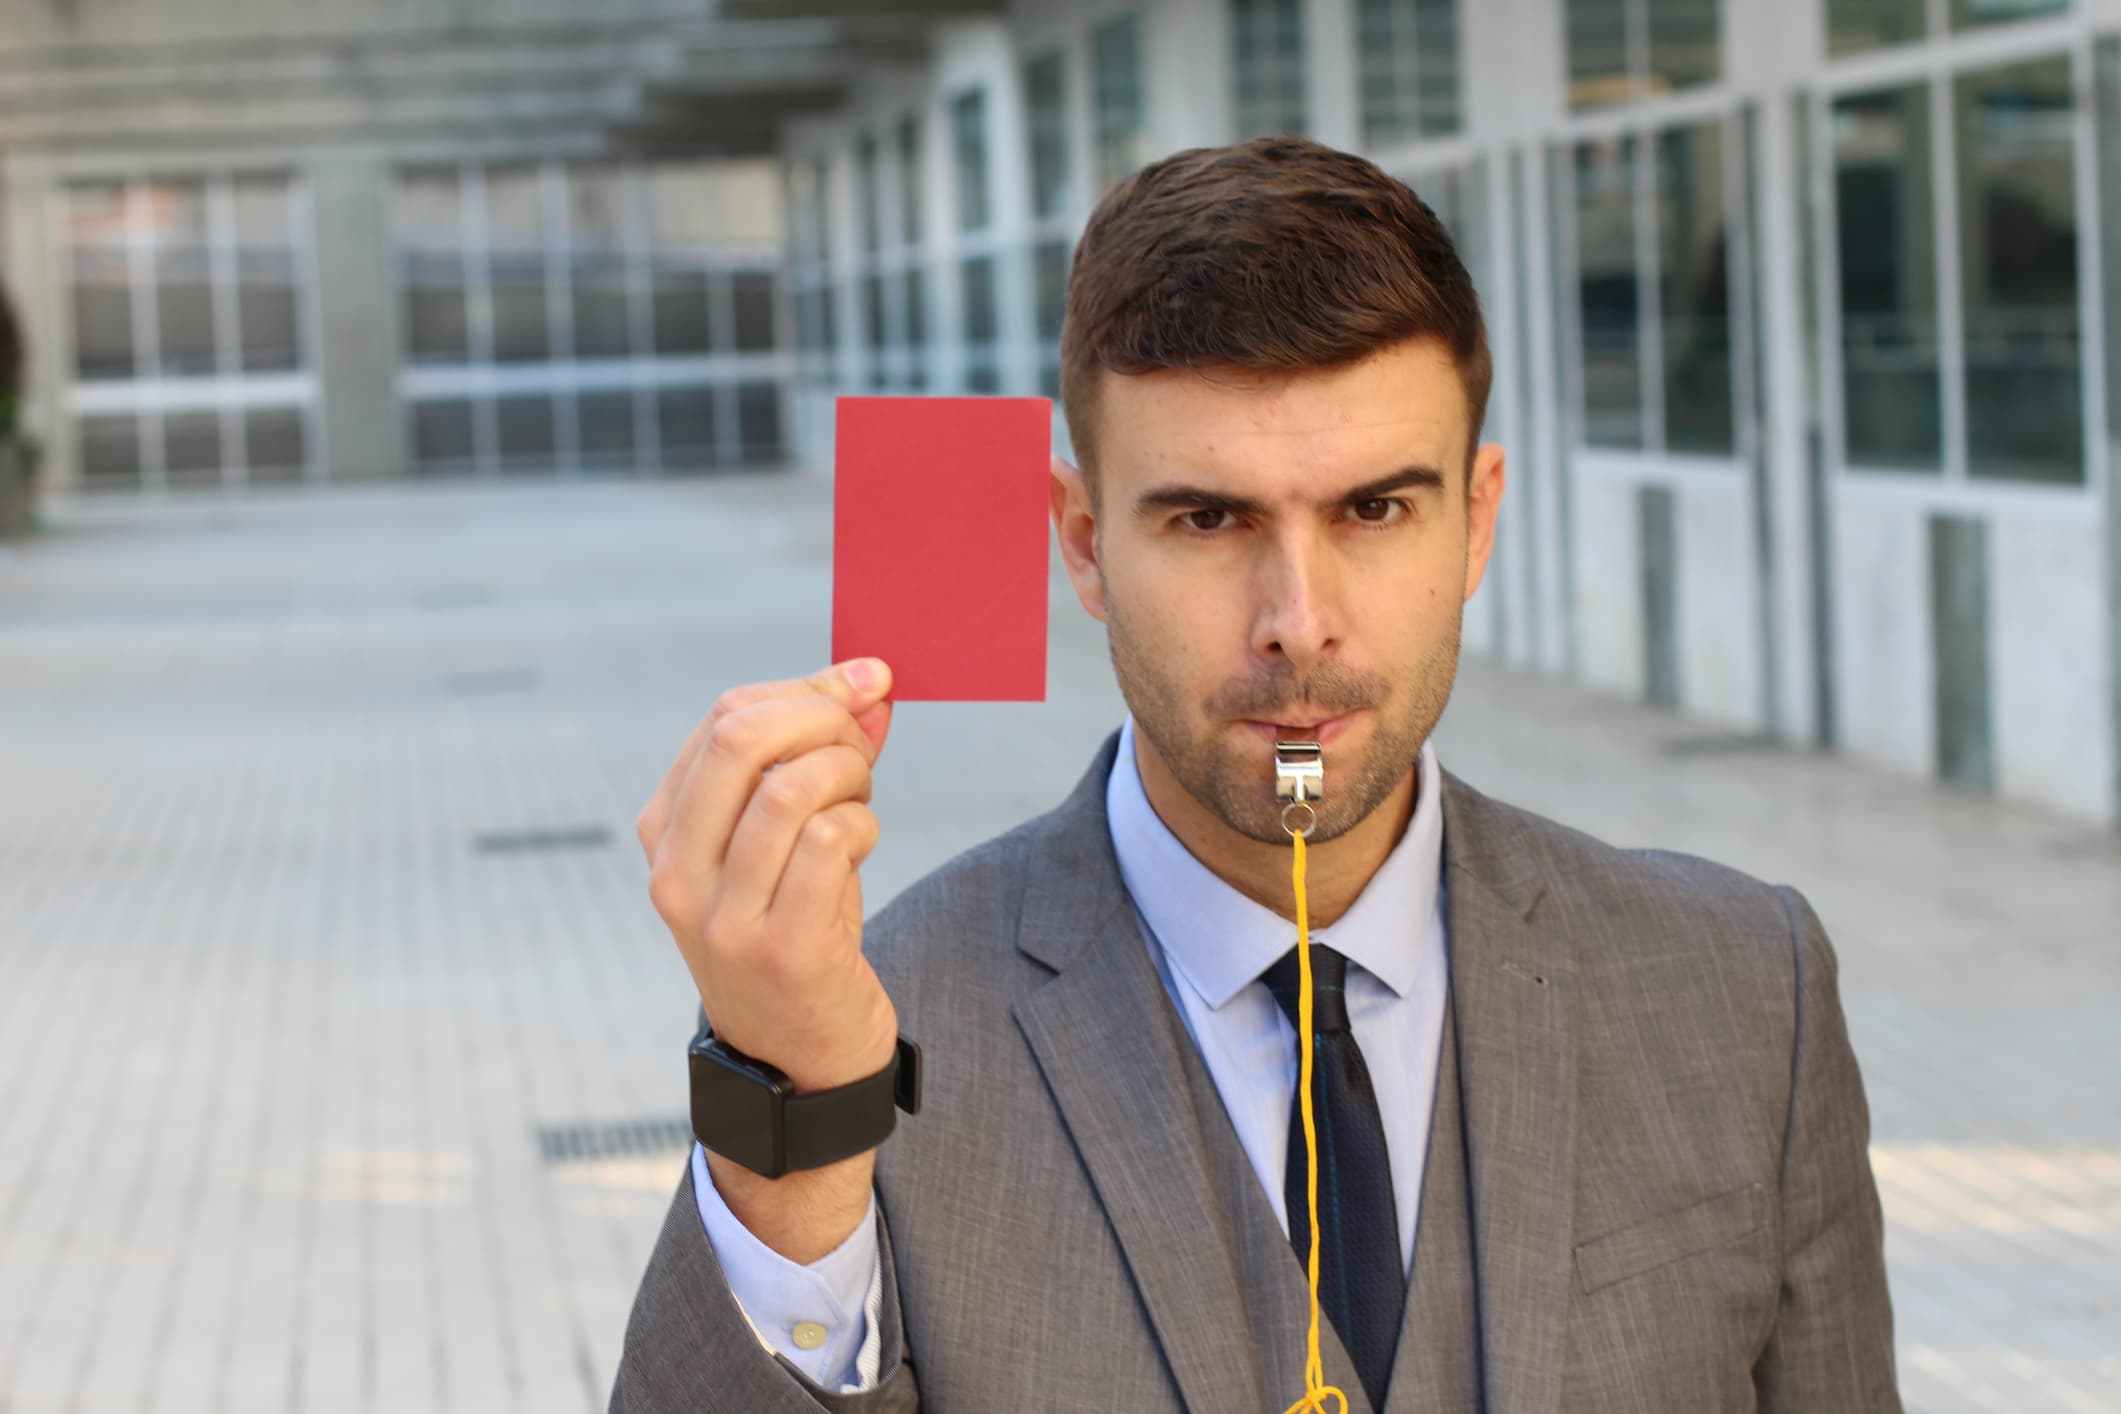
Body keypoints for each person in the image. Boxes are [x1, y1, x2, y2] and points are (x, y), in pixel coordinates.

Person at [609, 137, 1900, 1414]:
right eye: (1209, 519)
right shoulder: (864, 1036)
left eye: (1374, 510)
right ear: (1084, 543)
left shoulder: (1746, 986)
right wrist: (793, 1127)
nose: (1298, 623)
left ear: (1475, 519)